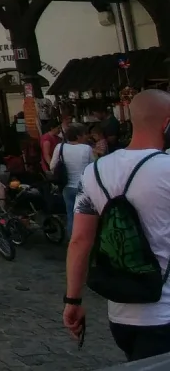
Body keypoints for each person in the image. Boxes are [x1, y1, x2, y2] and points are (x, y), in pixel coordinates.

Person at [64, 90, 170, 362]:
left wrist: (73, 300)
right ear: (167, 123)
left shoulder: (94, 172)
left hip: (122, 315)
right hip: (165, 312)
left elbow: (80, 241)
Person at [50, 122, 95, 239]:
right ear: (78, 135)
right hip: (84, 188)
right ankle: (87, 240)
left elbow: (52, 166)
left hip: (67, 187)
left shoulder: (60, 147)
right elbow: (93, 167)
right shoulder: (87, 149)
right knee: (86, 216)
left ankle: (73, 241)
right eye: (85, 134)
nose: (87, 137)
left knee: (71, 215)